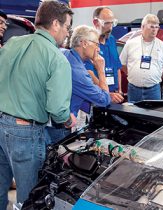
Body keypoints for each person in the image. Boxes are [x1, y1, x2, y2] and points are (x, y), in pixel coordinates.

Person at [0, 1, 75, 209]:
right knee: (30, 197)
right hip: (24, 133)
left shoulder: (12, 43)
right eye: (67, 27)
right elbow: (58, 110)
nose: (68, 33)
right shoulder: (57, 59)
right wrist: (68, 119)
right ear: (55, 24)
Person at [45, 25, 111, 145]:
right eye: (96, 44)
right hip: (60, 127)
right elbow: (104, 99)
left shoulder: (63, 53)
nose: (98, 49)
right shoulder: (78, 72)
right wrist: (100, 70)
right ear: (84, 43)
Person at [120, 14, 163, 102]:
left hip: (153, 90)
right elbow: (122, 64)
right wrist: (132, 75)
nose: (154, 29)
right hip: (133, 89)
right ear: (142, 27)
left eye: (157, 27)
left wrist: (156, 77)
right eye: (151, 26)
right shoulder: (130, 44)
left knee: (152, 115)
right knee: (133, 114)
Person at [84, 7, 124, 104]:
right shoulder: (89, 43)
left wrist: (120, 90)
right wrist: (107, 93)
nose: (110, 28)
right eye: (106, 23)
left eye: (112, 23)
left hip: (115, 96)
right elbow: (89, 73)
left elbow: (117, 67)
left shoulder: (112, 40)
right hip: (99, 96)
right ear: (95, 22)